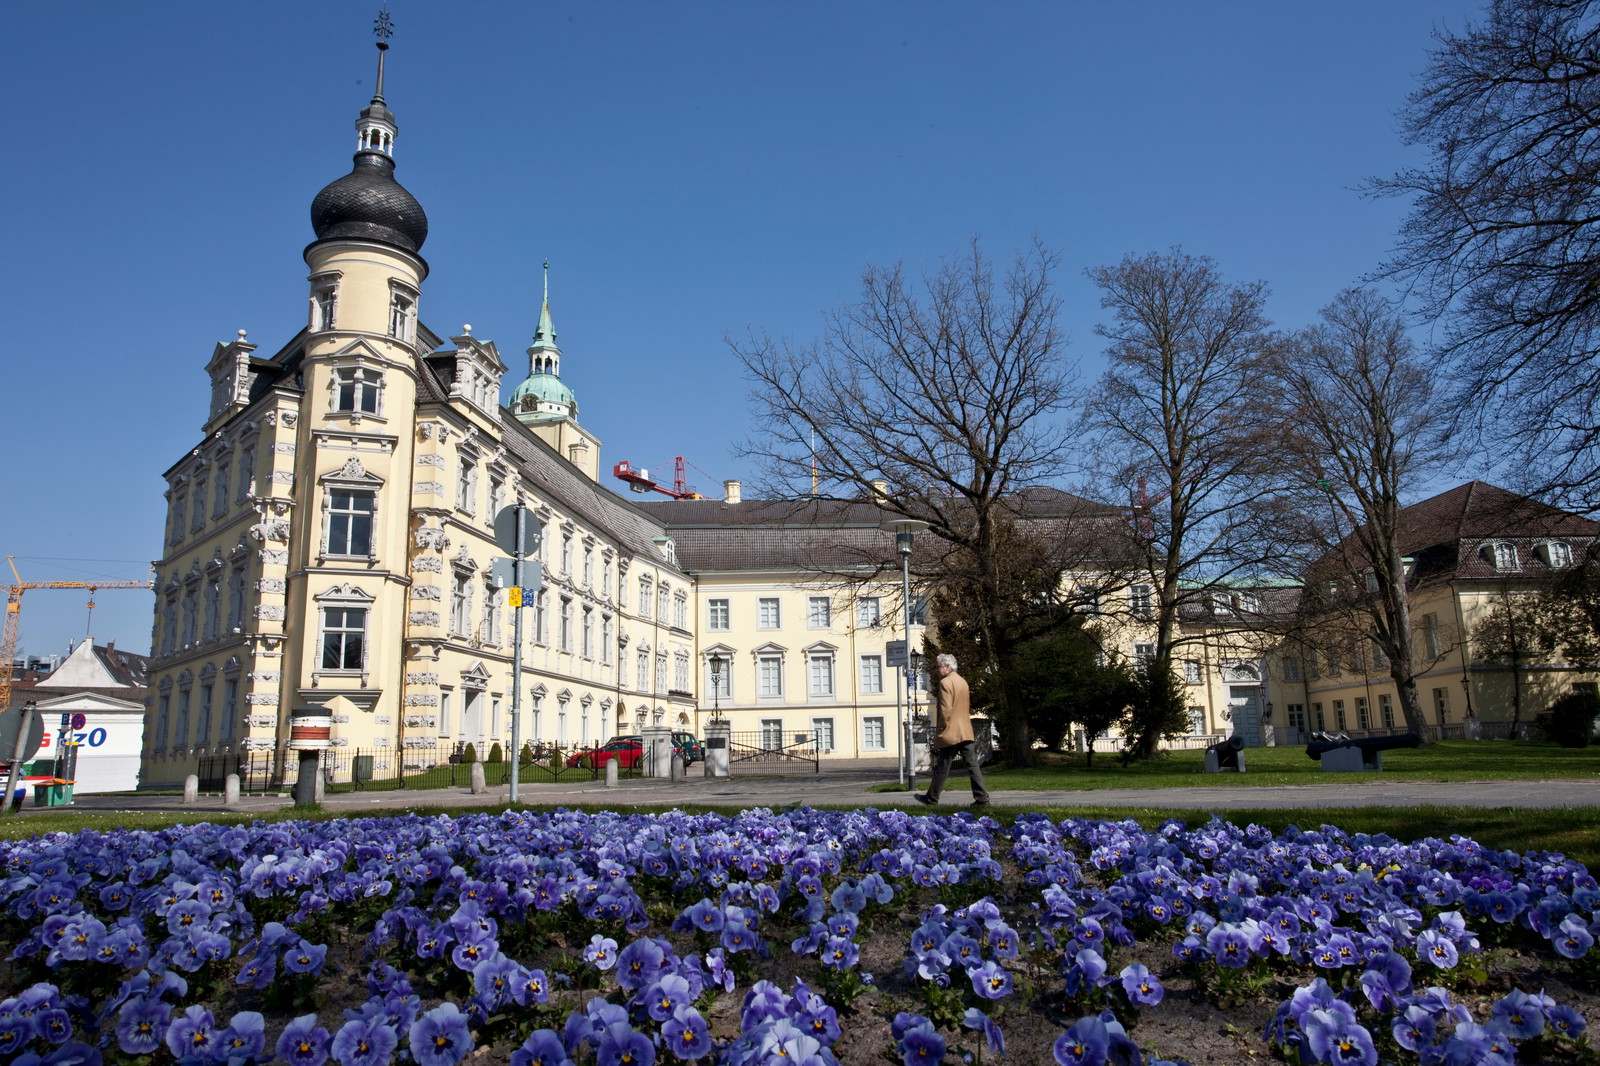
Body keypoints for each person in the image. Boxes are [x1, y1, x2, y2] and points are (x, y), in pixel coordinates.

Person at [915, 653, 990, 807]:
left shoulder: (945, 683)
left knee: (942, 767)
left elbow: (946, 710)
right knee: (972, 765)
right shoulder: (963, 682)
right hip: (965, 730)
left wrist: (941, 731)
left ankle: (932, 798)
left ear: (947, 667)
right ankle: (982, 798)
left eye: (938, 667)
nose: (936, 670)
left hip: (951, 732)